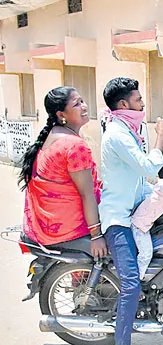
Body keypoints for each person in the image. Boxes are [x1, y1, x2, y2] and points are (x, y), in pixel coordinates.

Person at [99, 77, 163, 345]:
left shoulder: (128, 128)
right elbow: (148, 167)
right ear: (123, 104)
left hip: (134, 210)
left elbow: (142, 180)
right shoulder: (117, 133)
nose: (143, 104)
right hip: (119, 218)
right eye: (138, 99)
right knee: (130, 284)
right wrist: (161, 138)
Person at [19, 86, 107, 258]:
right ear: (61, 115)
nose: (84, 106)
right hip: (68, 226)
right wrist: (96, 235)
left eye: (82, 101)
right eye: (76, 104)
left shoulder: (52, 135)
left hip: (49, 223)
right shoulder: (74, 146)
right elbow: (86, 194)